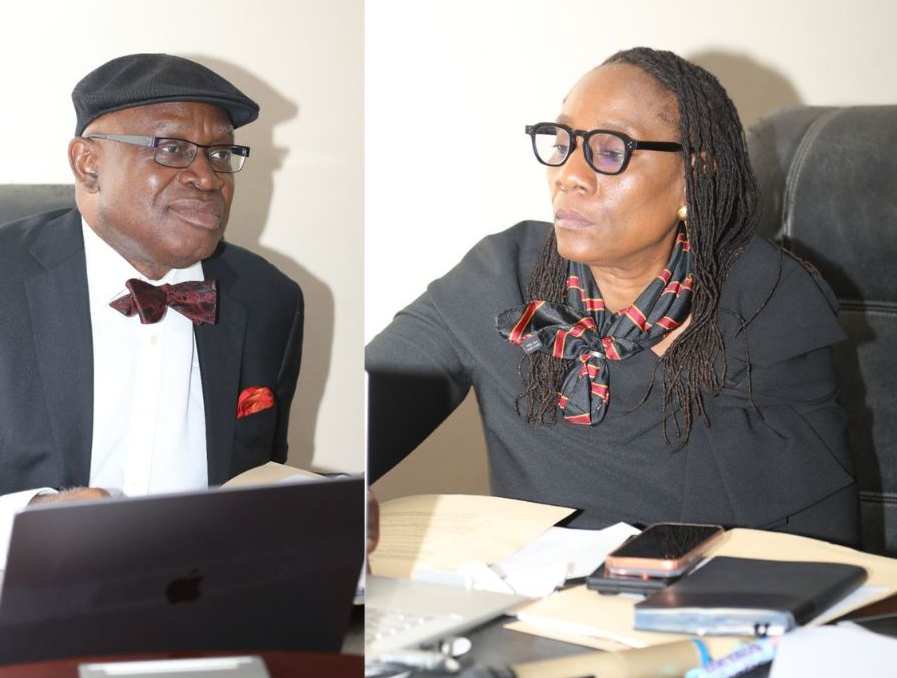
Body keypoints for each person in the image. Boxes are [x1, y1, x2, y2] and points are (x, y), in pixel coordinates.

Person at [367, 49, 856, 543]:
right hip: (525, 589)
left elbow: (818, 547)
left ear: (693, 174)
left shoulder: (766, 302)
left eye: (609, 151)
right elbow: (370, 407)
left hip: (705, 589)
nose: (569, 175)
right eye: (562, 142)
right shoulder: (501, 278)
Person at [0, 54, 304, 575]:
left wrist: (317, 513)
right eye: (172, 149)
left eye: (221, 154)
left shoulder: (270, 299)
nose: (207, 178)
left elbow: (257, 481)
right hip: (27, 593)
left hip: (206, 593)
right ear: (87, 163)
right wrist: (31, 523)